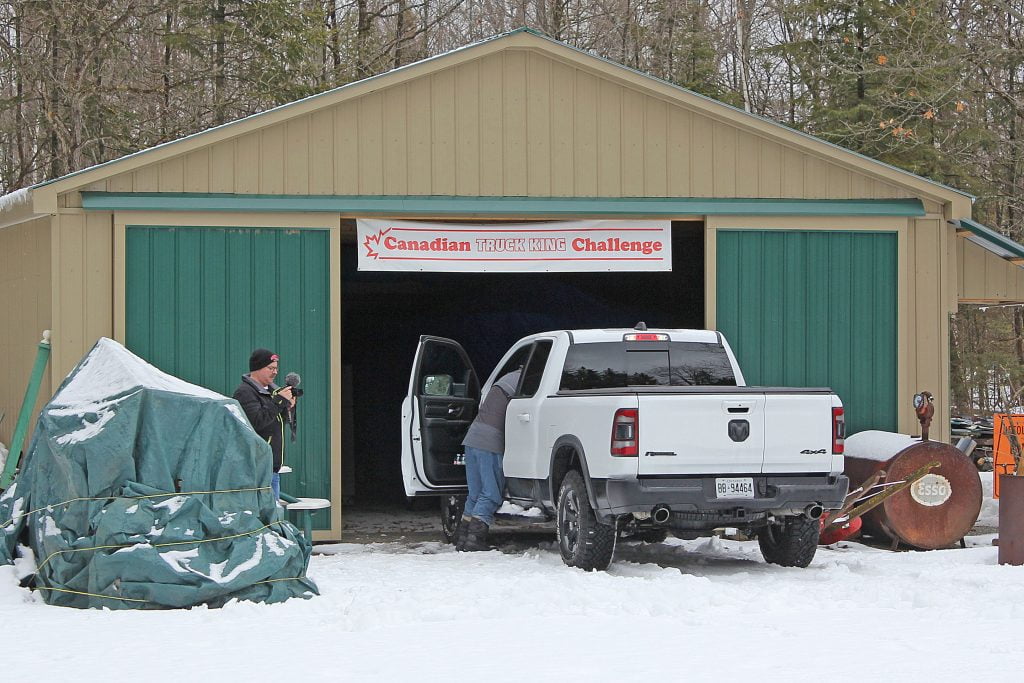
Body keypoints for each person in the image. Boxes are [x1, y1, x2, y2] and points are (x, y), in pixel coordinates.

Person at [457, 366, 522, 551]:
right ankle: (474, 541)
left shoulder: (506, 379)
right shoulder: (525, 382)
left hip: (472, 438)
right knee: (490, 494)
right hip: (490, 441)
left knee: (475, 494)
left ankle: (463, 539)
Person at [233, 348, 295, 502]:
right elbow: (256, 422)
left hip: (271, 465)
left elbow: (276, 422)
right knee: (263, 515)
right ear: (257, 368)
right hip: (256, 467)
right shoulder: (245, 392)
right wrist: (279, 402)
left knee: (273, 514)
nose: (275, 372)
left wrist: (287, 408)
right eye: (270, 368)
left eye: (276, 368)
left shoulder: (272, 392)